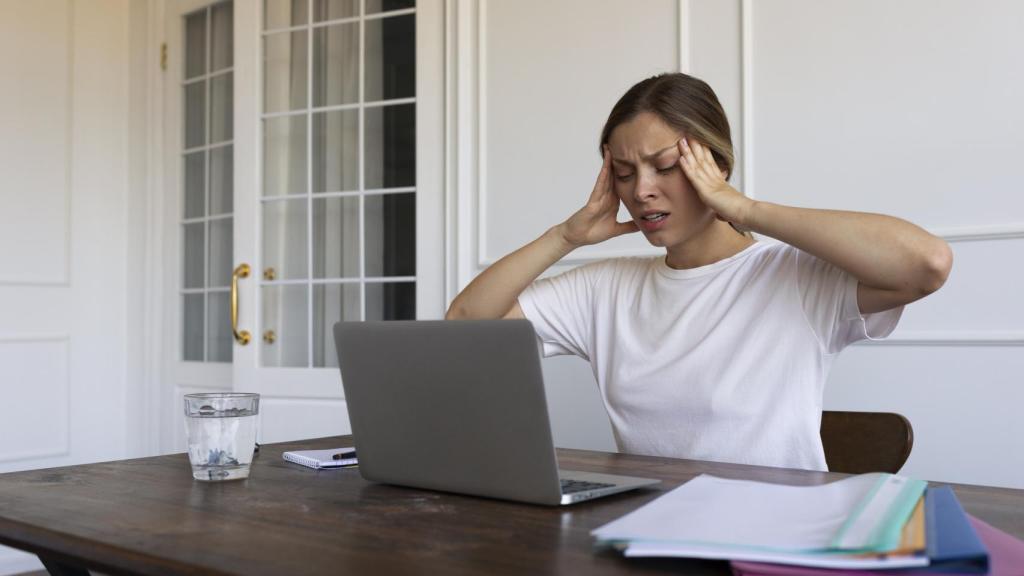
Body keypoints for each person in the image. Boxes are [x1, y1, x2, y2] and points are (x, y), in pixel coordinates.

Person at [445, 73, 952, 471]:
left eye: (665, 166)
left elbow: (925, 263)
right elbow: (466, 326)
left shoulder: (792, 277)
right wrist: (565, 237)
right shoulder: (604, 289)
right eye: (624, 173)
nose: (641, 190)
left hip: (774, 538)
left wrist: (745, 208)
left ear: (717, 166)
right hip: (652, 536)